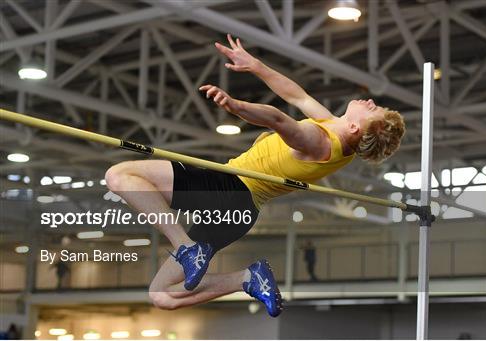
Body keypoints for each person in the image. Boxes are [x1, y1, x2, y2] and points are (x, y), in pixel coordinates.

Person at [105, 34, 405, 317]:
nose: (369, 101)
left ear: (355, 128)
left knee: (119, 175)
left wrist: (236, 107)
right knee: (161, 295)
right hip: (241, 212)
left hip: (230, 188)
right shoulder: (335, 134)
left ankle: (186, 248)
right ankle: (246, 278)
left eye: (372, 109)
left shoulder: (319, 141)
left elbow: (278, 118)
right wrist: (256, 66)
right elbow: (296, 95)